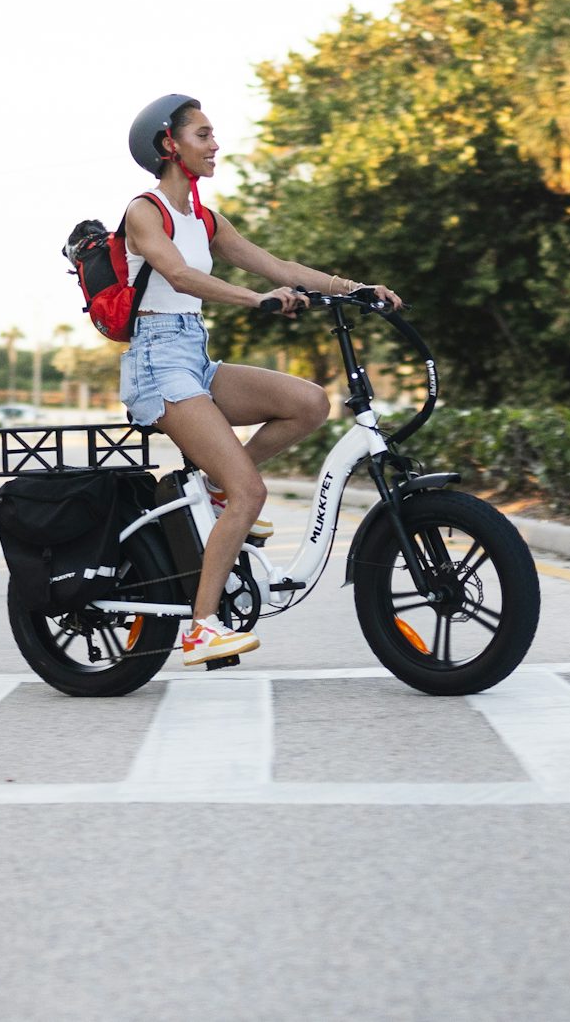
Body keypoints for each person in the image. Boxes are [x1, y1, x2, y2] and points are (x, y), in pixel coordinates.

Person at [119, 93, 402, 666]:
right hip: (156, 362)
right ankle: (202, 628)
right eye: (203, 135)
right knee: (251, 491)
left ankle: (216, 489)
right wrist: (255, 299)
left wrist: (357, 290)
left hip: (192, 354)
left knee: (308, 403)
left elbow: (281, 268)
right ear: (170, 144)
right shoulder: (144, 211)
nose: (215, 144)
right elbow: (178, 275)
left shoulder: (205, 219)